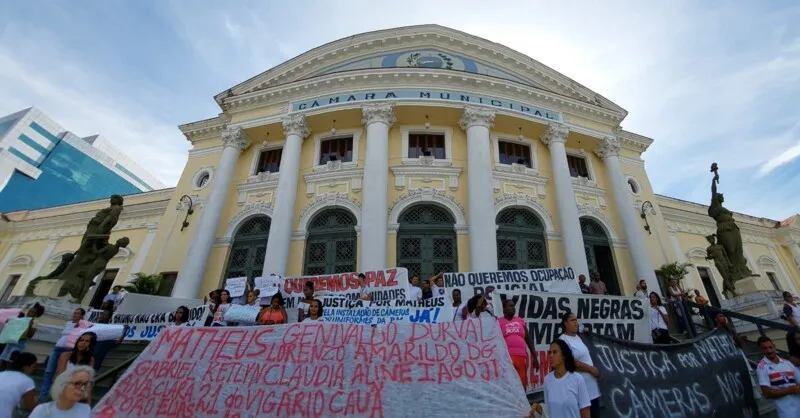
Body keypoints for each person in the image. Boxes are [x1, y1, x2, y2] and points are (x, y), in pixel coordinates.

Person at [530, 340, 590, 418]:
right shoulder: (547, 380)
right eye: (550, 353)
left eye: (555, 352)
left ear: (564, 355)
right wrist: (536, 407)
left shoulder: (577, 379)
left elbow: (585, 411)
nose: (551, 355)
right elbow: (549, 412)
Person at [40, 308, 91, 399]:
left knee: (61, 373)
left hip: (68, 350)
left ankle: (56, 395)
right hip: (57, 348)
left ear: (82, 316)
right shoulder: (68, 323)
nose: (75, 315)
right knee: (49, 371)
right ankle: (43, 396)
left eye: (78, 313)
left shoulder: (84, 326)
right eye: (74, 313)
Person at [558, 312, 600, 418]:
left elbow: (583, 328)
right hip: (580, 391)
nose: (576, 323)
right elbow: (570, 361)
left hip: (592, 389)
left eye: (576, 320)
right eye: (572, 320)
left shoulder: (578, 337)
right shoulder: (563, 340)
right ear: (565, 324)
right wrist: (590, 369)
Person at [756, 336, 800, 417]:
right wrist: (789, 390)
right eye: (765, 348)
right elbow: (767, 393)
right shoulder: (762, 367)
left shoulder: (787, 363)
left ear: (774, 346)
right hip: (786, 412)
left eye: (770, 347)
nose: (769, 350)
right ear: (761, 350)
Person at [500, 299, 538, 389]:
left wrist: (535, 357)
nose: (513, 308)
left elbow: (529, 340)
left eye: (513, 306)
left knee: (522, 384)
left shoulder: (520, 320)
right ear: (504, 309)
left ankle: (522, 403)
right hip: (507, 358)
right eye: (510, 306)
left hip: (521, 357)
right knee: (510, 386)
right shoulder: (498, 322)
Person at [0, 303, 44, 370]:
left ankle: (8, 375)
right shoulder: (22, 319)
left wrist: (30, 325)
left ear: (36, 315)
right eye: (29, 310)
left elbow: (30, 335)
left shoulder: (34, 322)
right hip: (10, 341)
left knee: (10, 362)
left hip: (19, 343)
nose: (29, 313)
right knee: (2, 360)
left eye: (32, 312)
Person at [0, 351, 38, 418]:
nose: (34, 369)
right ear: (26, 366)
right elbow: (30, 407)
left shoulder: (1, 374)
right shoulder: (27, 381)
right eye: (33, 366)